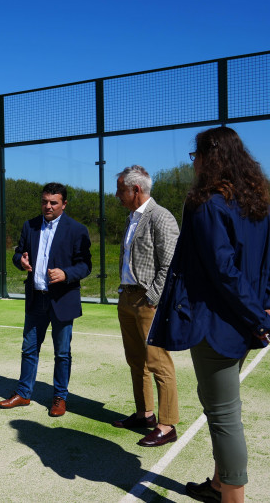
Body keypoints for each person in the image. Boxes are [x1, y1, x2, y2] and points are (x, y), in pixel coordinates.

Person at [148, 127, 270, 503]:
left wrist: (262, 318)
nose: (193, 165)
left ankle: (232, 497)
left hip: (218, 326)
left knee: (224, 416)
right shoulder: (259, 203)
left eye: (195, 157)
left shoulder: (207, 204)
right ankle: (217, 485)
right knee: (221, 406)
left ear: (208, 159)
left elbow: (223, 272)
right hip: (245, 324)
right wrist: (269, 308)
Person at [0, 182, 92, 417]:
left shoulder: (77, 230)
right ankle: (23, 393)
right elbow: (18, 252)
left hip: (62, 300)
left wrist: (66, 274)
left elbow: (85, 265)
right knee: (29, 349)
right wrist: (20, 260)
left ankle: (60, 398)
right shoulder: (29, 226)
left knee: (62, 353)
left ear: (64, 204)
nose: (47, 206)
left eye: (53, 202)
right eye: (44, 201)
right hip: (36, 299)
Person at [111, 165, 180, 447]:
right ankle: (145, 414)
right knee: (136, 360)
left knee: (158, 362)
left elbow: (170, 264)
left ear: (135, 189)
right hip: (127, 297)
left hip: (147, 302)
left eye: (120, 189)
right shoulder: (132, 217)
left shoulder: (160, 217)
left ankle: (167, 425)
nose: (117, 195)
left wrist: (152, 297)